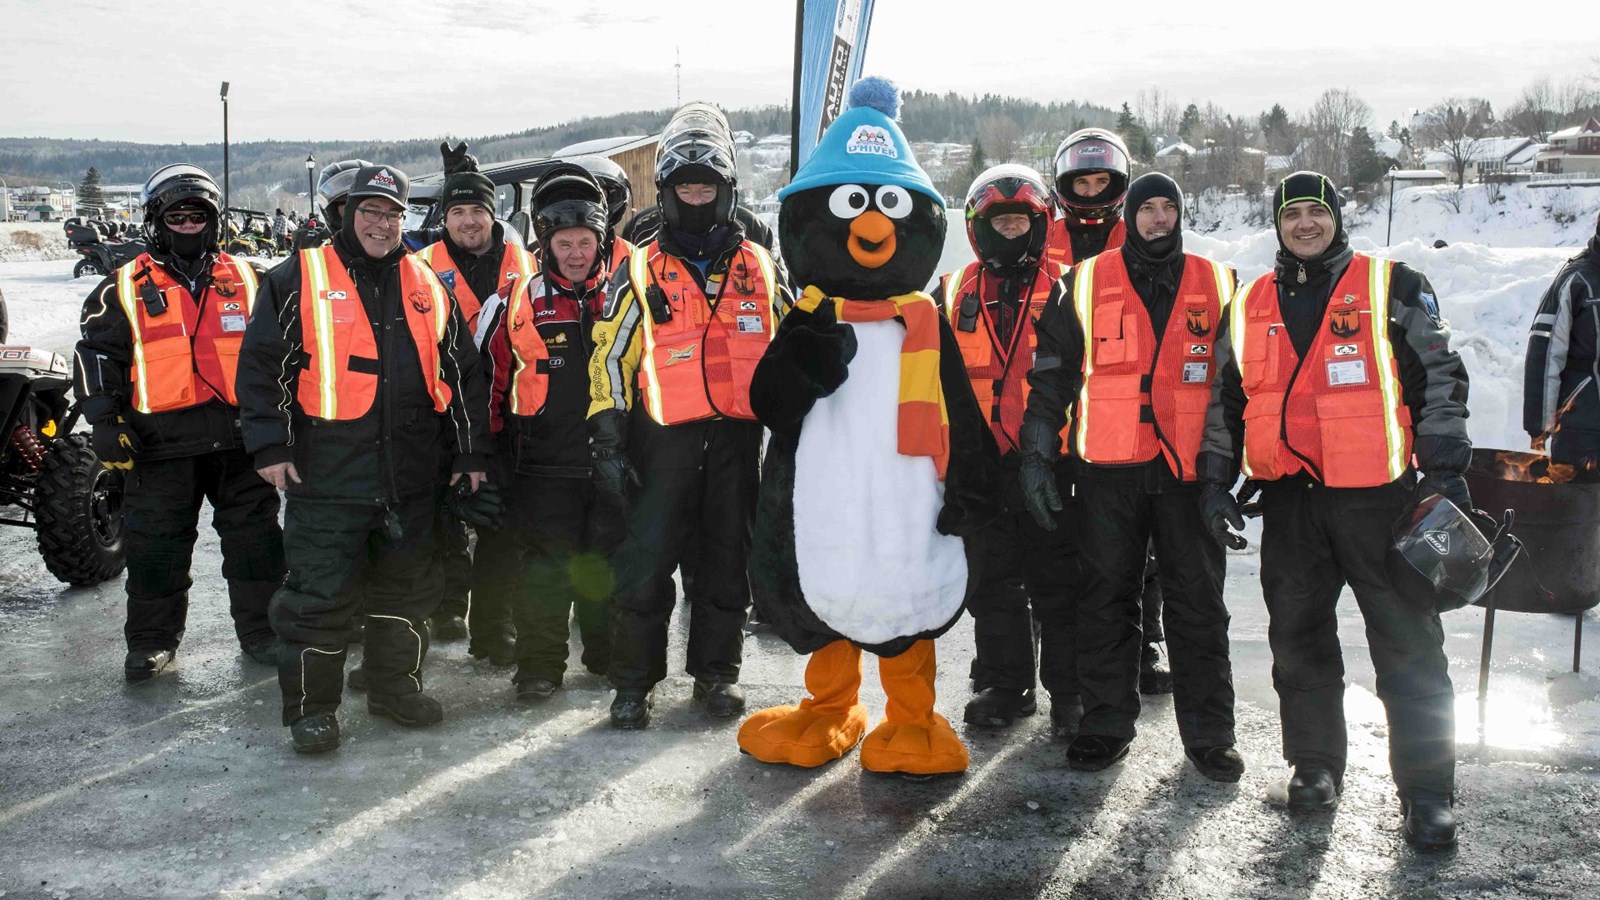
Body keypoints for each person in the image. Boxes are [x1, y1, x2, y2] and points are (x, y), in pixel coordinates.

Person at [1198, 171, 1470, 850]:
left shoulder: (1394, 287)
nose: (1305, 225)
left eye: (1317, 211)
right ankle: (1315, 767)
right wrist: (1213, 483)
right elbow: (1225, 405)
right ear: (1279, 225)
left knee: (1409, 649)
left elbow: (1440, 378)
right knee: (1298, 644)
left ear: (1336, 218)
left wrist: (1446, 475)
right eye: (1292, 215)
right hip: (1292, 507)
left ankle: (1428, 794)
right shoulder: (1250, 302)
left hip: (1380, 502)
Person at [236, 164, 490, 754]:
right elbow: (262, 366)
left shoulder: (429, 284)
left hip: (411, 474)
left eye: (393, 214)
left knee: (407, 591)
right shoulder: (295, 277)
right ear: (344, 216)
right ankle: (313, 711)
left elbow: (463, 375)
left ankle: (393, 688)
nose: (382, 224)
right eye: (370, 212)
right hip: (327, 476)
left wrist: (472, 452)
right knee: (318, 597)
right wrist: (270, 444)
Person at [1021, 172, 1241, 780]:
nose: (1159, 219)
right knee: (1106, 599)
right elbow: (1050, 379)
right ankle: (1105, 724)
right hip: (1107, 471)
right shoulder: (1084, 283)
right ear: (1132, 215)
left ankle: (1210, 737)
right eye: (1149, 209)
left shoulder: (1219, 284)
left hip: (1187, 471)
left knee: (1198, 604)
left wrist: (1225, 470)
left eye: (1170, 208)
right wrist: (1037, 455)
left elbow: (1237, 388)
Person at [587, 103, 789, 728]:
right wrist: (606, 431)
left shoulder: (760, 264)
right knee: (644, 567)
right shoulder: (639, 264)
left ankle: (715, 675)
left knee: (727, 562)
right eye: (685, 186)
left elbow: (790, 343)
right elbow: (611, 351)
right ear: (668, 193)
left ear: (726, 191)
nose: (696, 197)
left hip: (735, 440)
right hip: (661, 444)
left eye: (707, 186)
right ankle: (632, 685)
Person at [73, 163, 285, 680]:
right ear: (157, 220)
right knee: (156, 549)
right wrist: (104, 420)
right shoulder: (120, 286)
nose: (188, 224)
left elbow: (282, 356)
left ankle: (263, 631)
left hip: (241, 444)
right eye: (178, 215)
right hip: (159, 446)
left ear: (215, 221)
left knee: (256, 545)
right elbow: (98, 355)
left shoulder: (253, 280)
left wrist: (281, 425)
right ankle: (151, 641)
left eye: (199, 215)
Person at [936, 164, 1079, 734]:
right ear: (978, 228)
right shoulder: (951, 291)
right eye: (1003, 221)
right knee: (992, 581)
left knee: (1058, 582)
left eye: (1023, 220)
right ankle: (1004, 684)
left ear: (1042, 224)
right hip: (983, 464)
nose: (1013, 230)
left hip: (1055, 461)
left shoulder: (1075, 284)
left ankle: (1070, 692)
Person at [478, 163, 620, 701]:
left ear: (600, 240)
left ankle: (610, 658)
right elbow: (487, 385)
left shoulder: (628, 295)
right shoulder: (513, 302)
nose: (576, 252)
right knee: (543, 574)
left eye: (585, 240)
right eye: (565, 241)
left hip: (612, 462)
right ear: (547, 241)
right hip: (541, 467)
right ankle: (539, 666)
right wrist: (484, 456)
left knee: (608, 568)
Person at [1045, 127, 1173, 694]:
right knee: (1057, 545)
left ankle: (1144, 646)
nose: (1093, 192)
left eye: (1103, 182)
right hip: (1052, 412)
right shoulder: (1038, 236)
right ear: (1066, 186)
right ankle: (1046, 658)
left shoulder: (1148, 233)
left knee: (1137, 550)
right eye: (1083, 182)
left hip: (1125, 422)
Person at [412, 167, 524, 656]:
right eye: (457, 211)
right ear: (444, 217)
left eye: (477, 210)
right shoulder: (417, 267)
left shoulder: (527, 262)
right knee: (435, 525)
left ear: (492, 213)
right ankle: (441, 609)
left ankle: (493, 630)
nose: (469, 221)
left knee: (500, 528)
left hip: (508, 417)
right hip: (439, 419)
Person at [1524, 211, 1600, 479]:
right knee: (1579, 509)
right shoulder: (1576, 279)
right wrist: (1538, 425)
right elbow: (1544, 353)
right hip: (1582, 426)